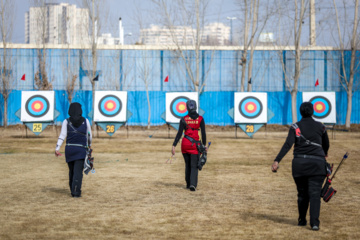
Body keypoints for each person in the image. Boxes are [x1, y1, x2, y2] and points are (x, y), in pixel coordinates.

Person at [271, 102, 329, 231]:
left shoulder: (295, 127)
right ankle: (314, 223)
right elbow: (326, 144)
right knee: (314, 194)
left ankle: (302, 220)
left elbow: (288, 144)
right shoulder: (321, 126)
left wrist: (277, 160)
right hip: (317, 164)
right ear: (313, 111)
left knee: (302, 193)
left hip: (300, 165)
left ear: (301, 112)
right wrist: (324, 154)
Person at [55, 102, 92, 198]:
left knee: (71, 171)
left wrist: (57, 148)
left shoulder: (66, 121)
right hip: (81, 150)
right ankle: (76, 192)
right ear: (80, 110)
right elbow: (89, 136)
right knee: (78, 172)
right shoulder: (86, 121)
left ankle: (72, 190)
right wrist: (89, 146)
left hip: (70, 149)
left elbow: (62, 135)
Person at [172, 100, 207, 192]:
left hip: (185, 144)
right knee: (194, 165)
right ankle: (192, 184)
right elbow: (203, 134)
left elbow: (179, 133)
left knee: (187, 165)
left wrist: (174, 145)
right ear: (195, 107)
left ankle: (188, 183)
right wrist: (204, 146)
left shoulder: (184, 119)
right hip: (195, 145)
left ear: (187, 108)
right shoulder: (200, 119)